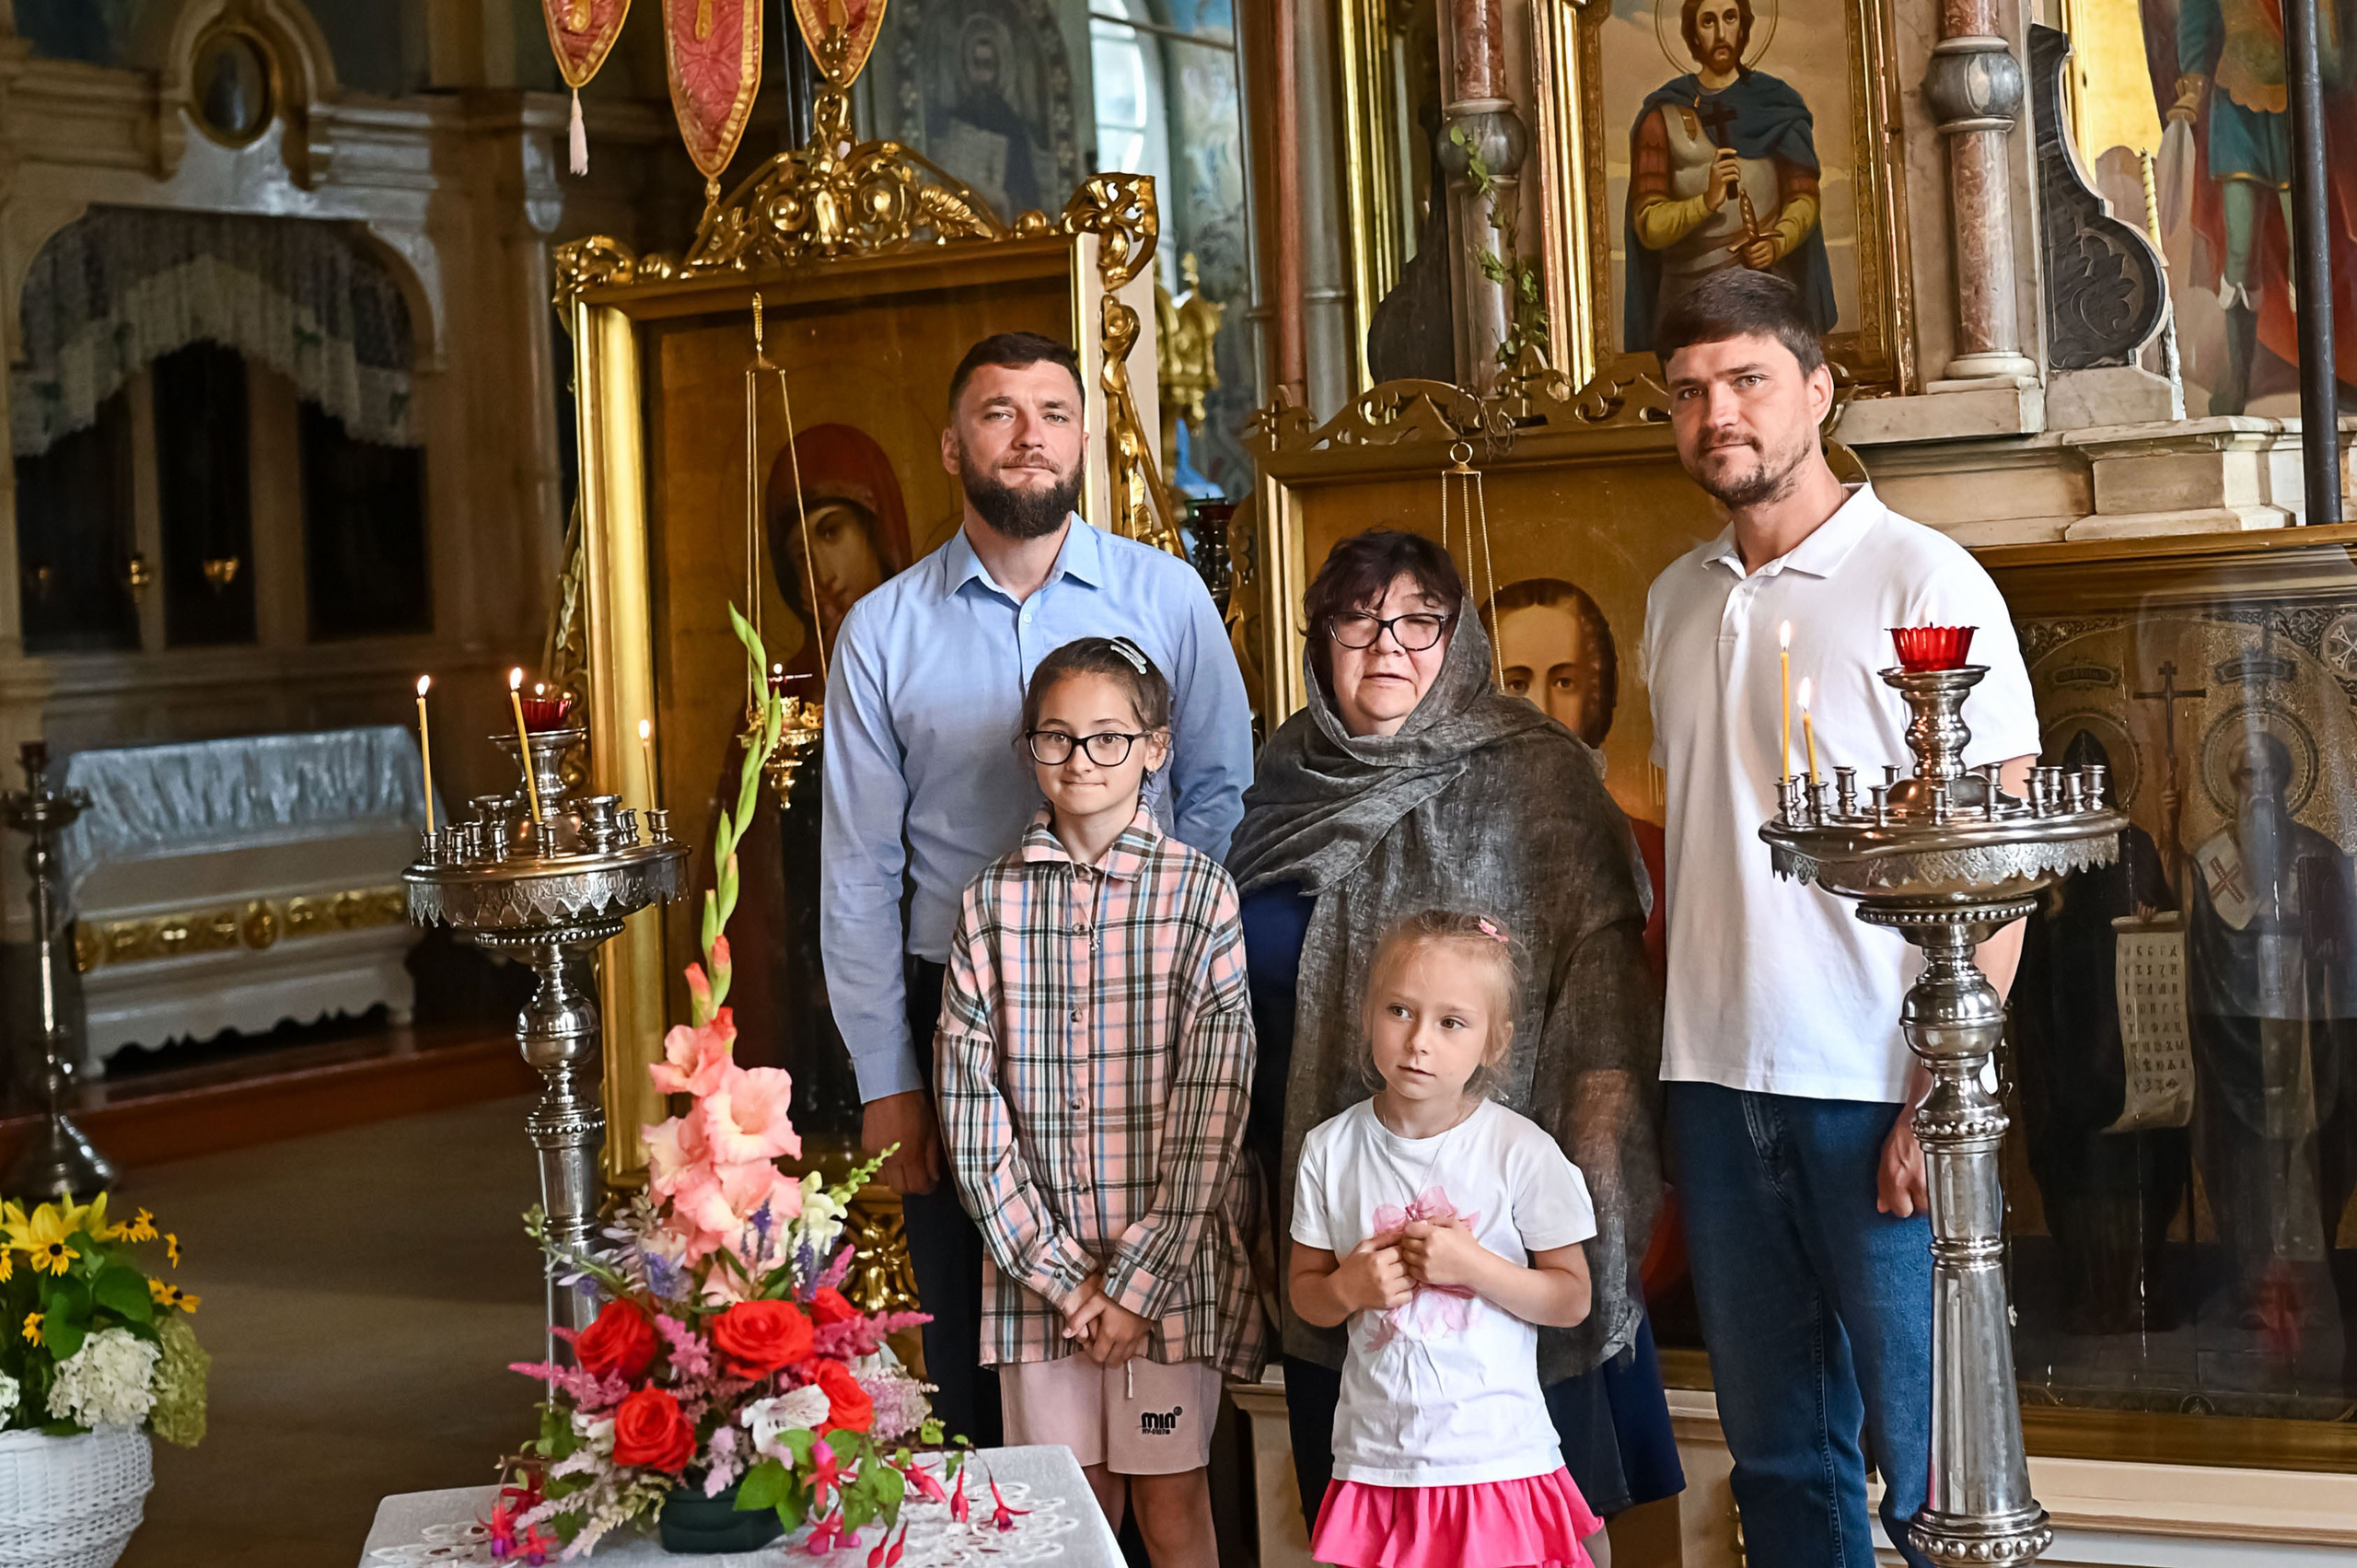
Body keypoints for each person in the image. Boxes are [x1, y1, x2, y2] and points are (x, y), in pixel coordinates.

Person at [1642, 266, 2039, 1568]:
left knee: (1933, 1463)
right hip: (1712, 1074)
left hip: (1875, 1077)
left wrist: (1943, 1080)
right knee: (1780, 1459)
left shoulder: (1923, 578)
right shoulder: (1676, 597)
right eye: (1692, 390)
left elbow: (2002, 852)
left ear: (1819, 388)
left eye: (1750, 379)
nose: (1720, 414)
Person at [821, 331, 1255, 1448]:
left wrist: (1139, 904)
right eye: (998, 412)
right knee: (981, 1356)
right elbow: (859, 868)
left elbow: (1220, 792)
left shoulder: (1167, 596)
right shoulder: (883, 630)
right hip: (961, 1013)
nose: (1028, 435)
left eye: (1052, 412)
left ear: (1085, 436)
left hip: (1150, 1012)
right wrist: (889, 1075)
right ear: (952, 441)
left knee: (1161, 1381)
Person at [1226, 528, 1675, 1540]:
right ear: (1318, 638)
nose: (1388, 643)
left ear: (1459, 635)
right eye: (1356, 617)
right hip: (1337, 1204)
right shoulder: (1283, 783)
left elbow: (1602, 1022)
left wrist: (1591, 1218)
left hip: (1501, 1229)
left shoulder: (1538, 774)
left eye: (1419, 619)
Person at [936, 636, 1263, 1568]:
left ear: (1155, 747)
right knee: (1064, 1521)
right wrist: (1065, 1281)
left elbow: (1214, 1107)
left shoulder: (1200, 896)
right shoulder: (989, 904)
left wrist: (1132, 1287)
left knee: (1169, 1509)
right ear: (1029, 747)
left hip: (1168, 1281)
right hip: (1040, 1288)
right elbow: (970, 1110)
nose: (1081, 760)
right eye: (1058, 737)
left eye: (1109, 738)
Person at [1291, 911, 1605, 1568]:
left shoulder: (1519, 1150)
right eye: (1399, 1010)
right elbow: (1306, 1296)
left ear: (1494, 1041)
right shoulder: (1328, 1148)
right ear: (1367, 1013)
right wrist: (1347, 1286)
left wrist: (1474, 1266)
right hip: (1378, 1463)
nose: (1418, 1041)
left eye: (1450, 1022)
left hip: (1495, 1457)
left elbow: (1572, 1299)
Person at [2176, 727, 2357, 1338]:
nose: (2260, 791)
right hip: (2236, 1048)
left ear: (2287, 785)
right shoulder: (2211, 864)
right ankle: (2252, 1286)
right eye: (2247, 779)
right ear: (2232, 788)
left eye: (2270, 778)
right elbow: (2200, 964)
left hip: (2308, 1042)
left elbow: (2340, 954)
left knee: (2310, 1163)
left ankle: (2308, 1288)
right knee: (2246, 1169)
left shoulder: (2318, 853)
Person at [2012, 727, 2189, 1338]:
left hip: (2123, 1036)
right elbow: (2025, 942)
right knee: (2075, 1169)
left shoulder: (2133, 843)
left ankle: (2136, 1291)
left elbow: (2159, 918)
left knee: (2128, 1166)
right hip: (2062, 1036)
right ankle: (2089, 1290)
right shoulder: (2048, 848)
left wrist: (2150, 915)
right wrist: (2051, 914)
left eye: (2097, 778)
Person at [1624, 0, 1836, 352]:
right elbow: (1648, 224)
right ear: (1693, 33)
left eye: (1730, 17)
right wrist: (1705, 202)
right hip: (1687, 304)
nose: (1721, 34)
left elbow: (1803, 197)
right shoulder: (1662, 117)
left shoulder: (1777, 105)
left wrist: (1776, 243)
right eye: (1708, 22)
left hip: (1763, 293)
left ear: (1744, 25)